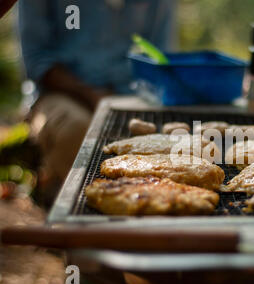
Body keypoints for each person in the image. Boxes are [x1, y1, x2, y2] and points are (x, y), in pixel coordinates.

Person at [18, 0, 177, 202]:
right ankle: (79, 198)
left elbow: (160, 56)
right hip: (61, 94)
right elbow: (36, 60)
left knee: (170, 136)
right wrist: (91, 95)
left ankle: (148, 201)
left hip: (133, 94)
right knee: (76, 130)